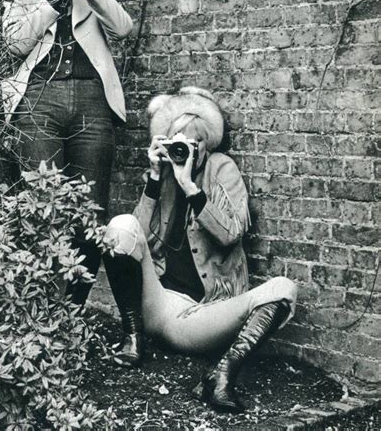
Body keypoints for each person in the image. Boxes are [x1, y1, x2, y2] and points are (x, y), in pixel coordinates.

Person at [103, 87, 297, 413]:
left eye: (189, 144)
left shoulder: (222, 169)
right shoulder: (162, 176)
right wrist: (154, 177)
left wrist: (191, 188)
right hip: (159, 304)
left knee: (284, 289)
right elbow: (135, 242)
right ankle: (133, 338)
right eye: (173, 142)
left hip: (204, 316)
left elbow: (230, 233)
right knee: (118, 225)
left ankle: (220, 376)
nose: (180, 151)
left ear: (205, 145)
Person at [1, 0, 133, 304]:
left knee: (90, 213)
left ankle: (71, 311)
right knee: (43, 207)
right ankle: (40, 308)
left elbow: (124, 28)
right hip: (38, 103)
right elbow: (14, 43)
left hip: (92, 103)